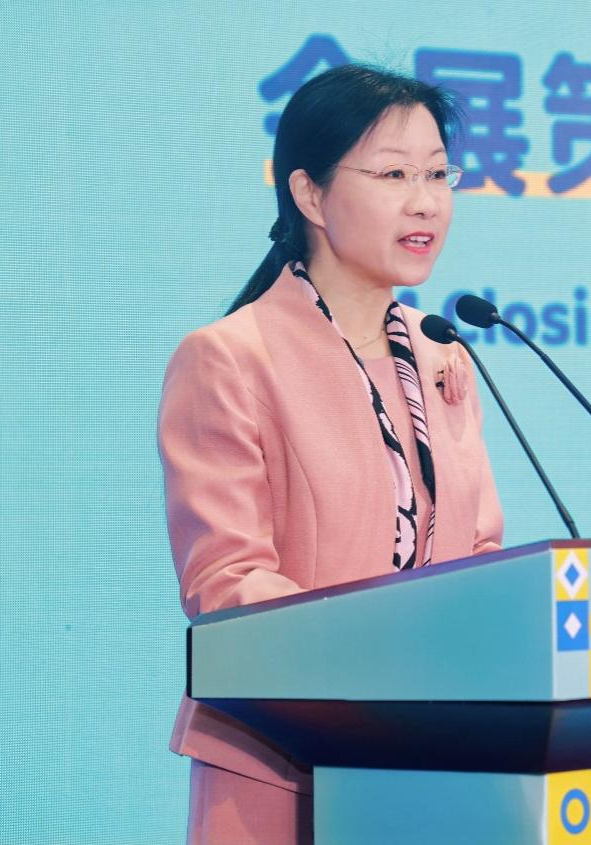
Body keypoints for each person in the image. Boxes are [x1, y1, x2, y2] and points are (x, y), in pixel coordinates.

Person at [157, 64, 504, 844]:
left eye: (437, 174)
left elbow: (480, 552)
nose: (425, 201)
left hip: (430, 760)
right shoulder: (230, 357)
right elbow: (227, 580)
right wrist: (381, 667)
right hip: (282, 763)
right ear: (309, 195)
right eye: (393, 175)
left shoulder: (442, 355)